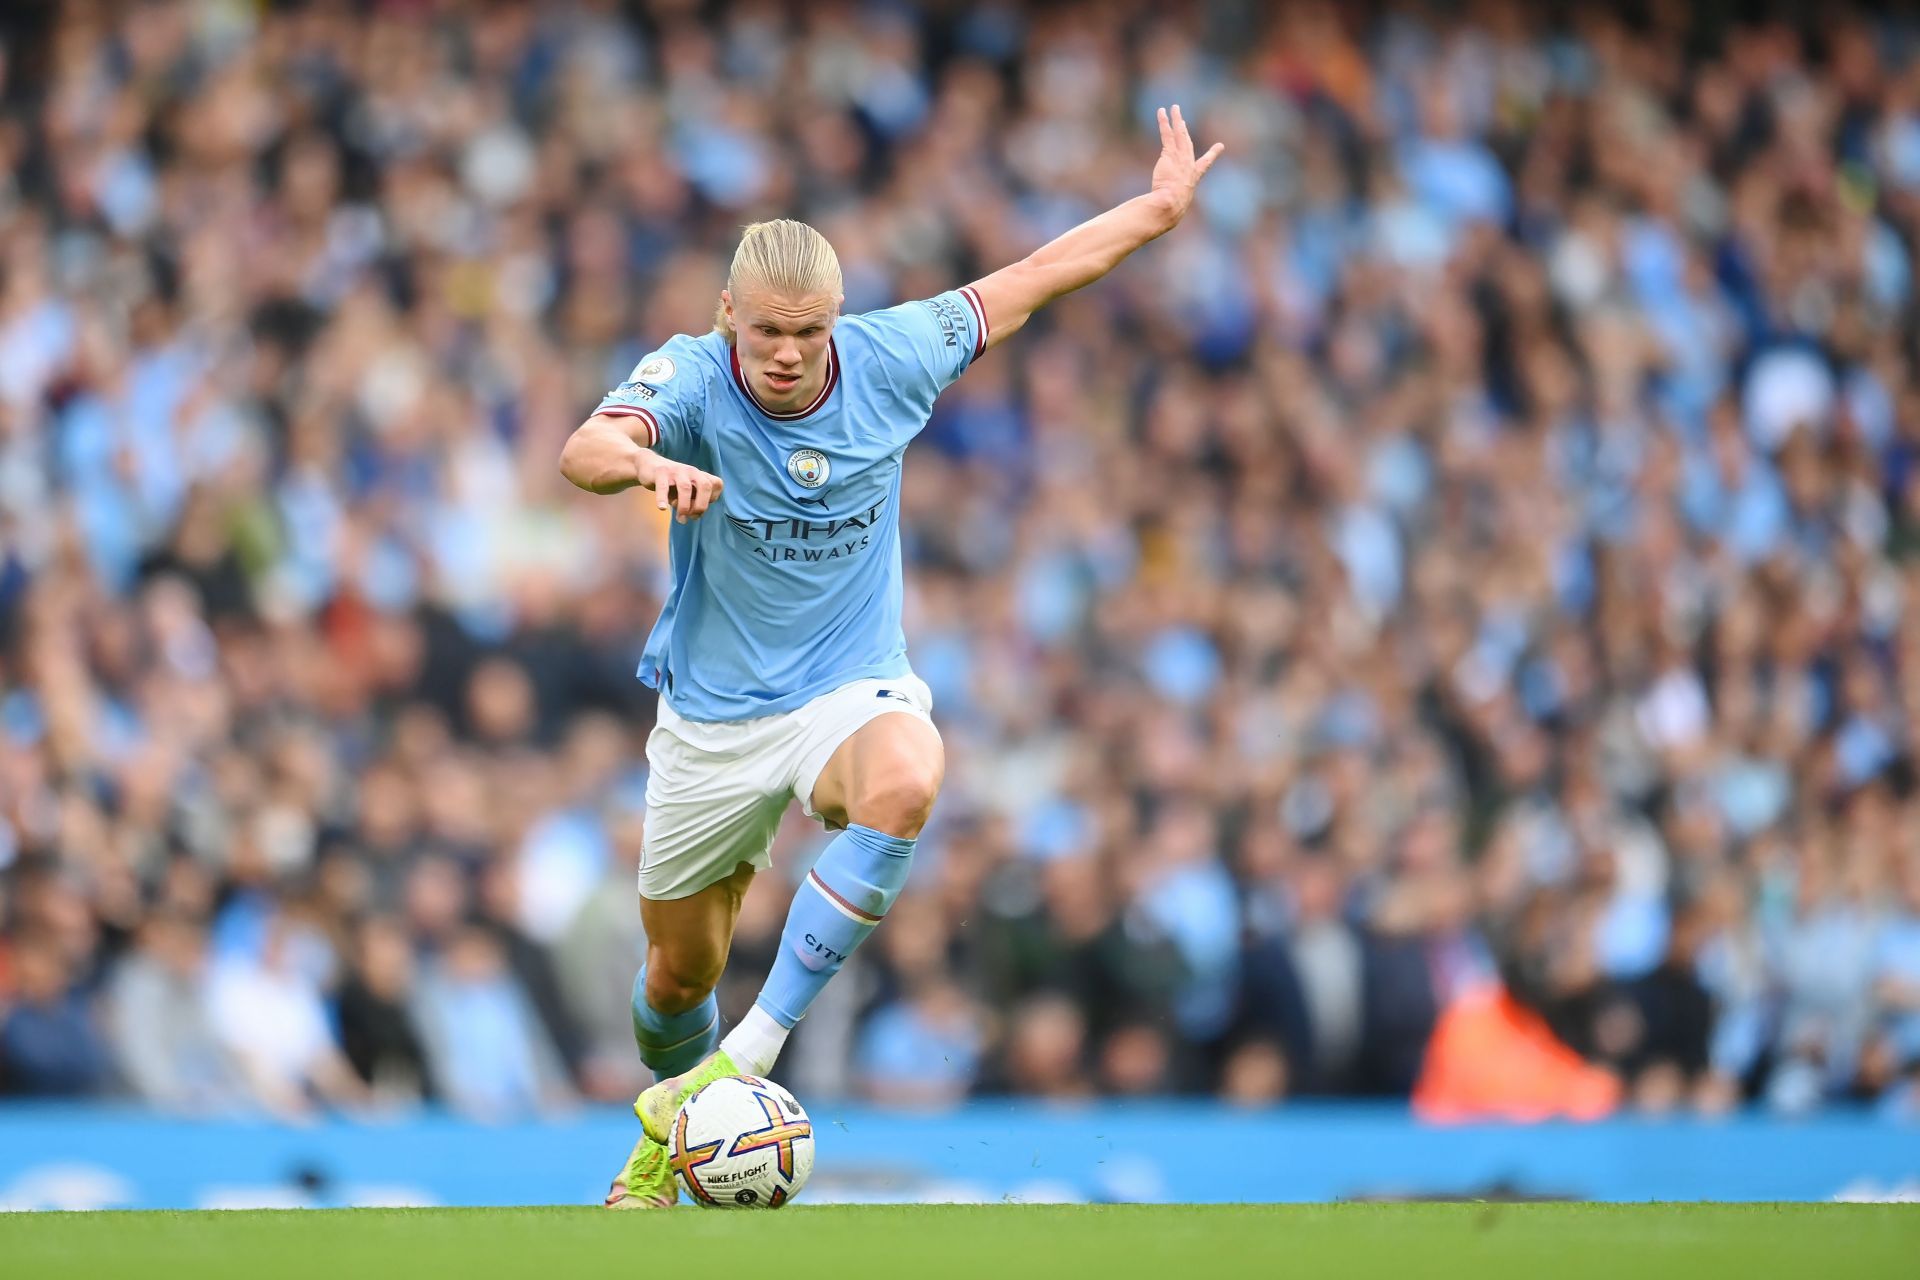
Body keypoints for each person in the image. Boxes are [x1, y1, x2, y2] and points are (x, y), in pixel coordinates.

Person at [560, 106, 1222, 1207]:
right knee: (675, 980)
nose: (783, 352)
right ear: (726, 313)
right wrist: (642, 468)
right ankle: (684, 1103)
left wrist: (1156, 211)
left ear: (839, 320)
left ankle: (753, 1057)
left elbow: (1039, 272)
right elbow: (585, 446)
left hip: (845, 689)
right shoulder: (686, 376)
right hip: (714, 718)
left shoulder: (897, 356)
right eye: (764, 330)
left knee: (911, 773)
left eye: (807, 332)